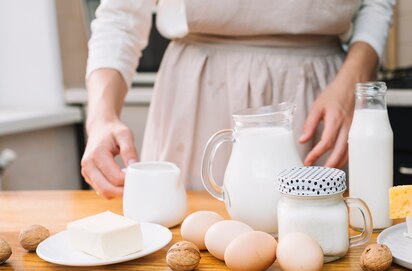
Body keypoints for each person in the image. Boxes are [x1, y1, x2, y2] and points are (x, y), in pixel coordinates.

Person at [82, 0, 395, 198]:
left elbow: (377, 4)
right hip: (198, 91)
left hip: (319, 98)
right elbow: (120, 18)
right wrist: (101, 117)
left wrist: (352, 80)